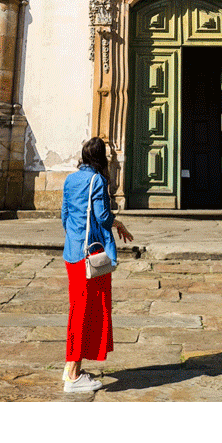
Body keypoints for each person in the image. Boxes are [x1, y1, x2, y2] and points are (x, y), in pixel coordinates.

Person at [60, 137, 134, 393]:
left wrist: (74, 237)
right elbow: (102, 217)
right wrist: (119, 224)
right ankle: (73, 375)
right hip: (89, 256)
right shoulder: (98, 180)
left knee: (77, 310)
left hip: (72, 253)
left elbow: (65, 216)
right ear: (101, 158)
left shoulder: (70, 180)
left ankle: (72, 365)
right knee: (86, 312)